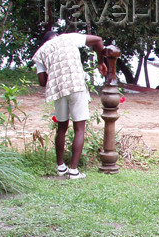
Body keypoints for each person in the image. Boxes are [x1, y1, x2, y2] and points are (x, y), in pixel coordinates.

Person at [33, 31, 107, 179]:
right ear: (57, 35)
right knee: (79, 129)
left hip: (58, 90)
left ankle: (61, 167)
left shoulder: (41, 52)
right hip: (76, 86)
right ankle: (74, 170)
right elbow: (98, 40)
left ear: (45, 42)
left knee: (62, 127)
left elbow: (42, 82)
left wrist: (54, 72)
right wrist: (100, 61)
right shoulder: (68, 37)